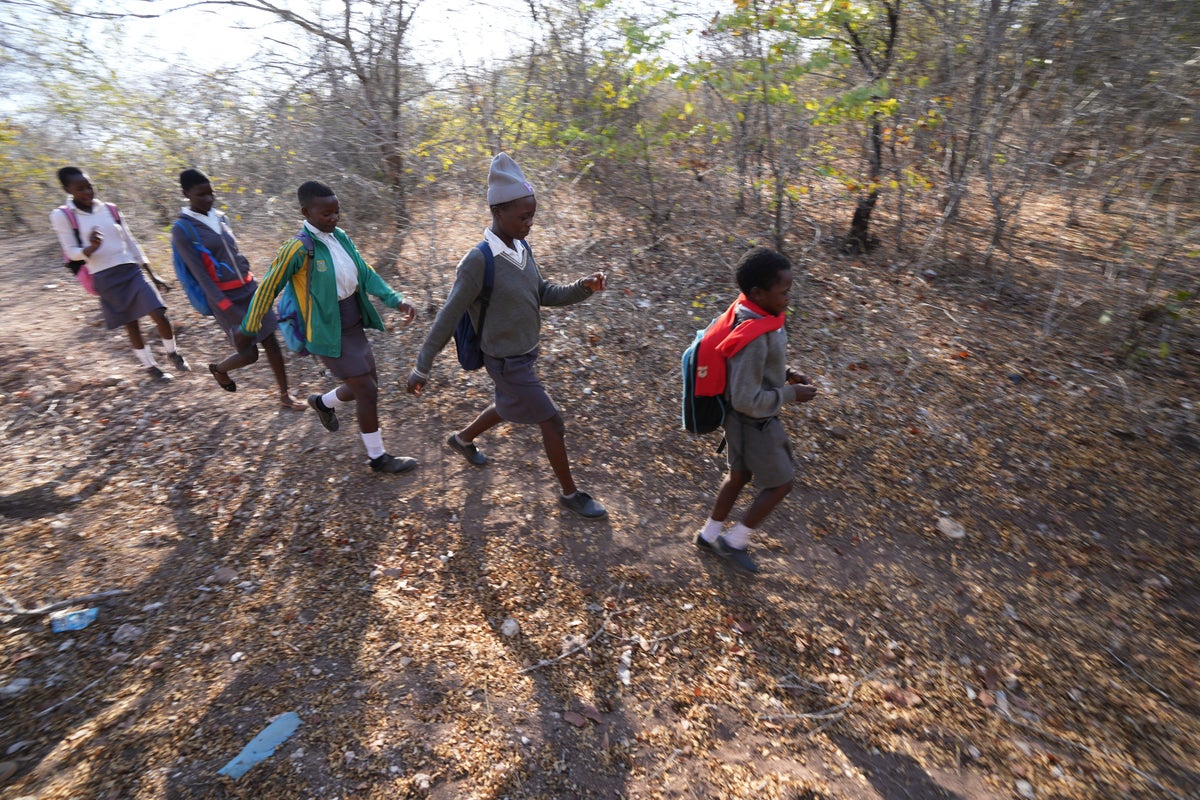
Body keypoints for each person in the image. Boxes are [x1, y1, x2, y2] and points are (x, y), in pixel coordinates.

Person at [406, 152, 609, 519]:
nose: (529, 223)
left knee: (506, 406)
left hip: (525, 354)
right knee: (551, 420)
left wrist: (583, 287)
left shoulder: (521, 247)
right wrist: (422, 367)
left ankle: (462, 439)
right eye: (523, 216)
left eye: (532, 215)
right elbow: (448, 316)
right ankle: (569, 494)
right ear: (498, 212)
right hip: (504, 361)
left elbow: (542, 293)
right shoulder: (479, 261)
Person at [233, 180, 418, 473]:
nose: (333, 219)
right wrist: (249, 327)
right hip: (325, 330)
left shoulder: (341, 236)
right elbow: (268, 288)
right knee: (367, 392)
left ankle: (323, 402)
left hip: (353, 323)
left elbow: (365, 273)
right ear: (306, 212)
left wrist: (396, 300)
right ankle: (378, 458)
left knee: (367, 387)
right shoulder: (296, 248)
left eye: (336, 212)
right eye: (326, 214)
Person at [693, 246, 817, 573]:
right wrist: (791, 393)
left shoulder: (756, 315)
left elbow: (755, 367)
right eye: (784, 291)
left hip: (744, 420)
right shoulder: (755, 335)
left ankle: (708, 535)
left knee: (739, 476)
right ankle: (733, 542)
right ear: (758, 293)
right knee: (781, 484)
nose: (789, 297)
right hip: (754, 421)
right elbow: (746, 397)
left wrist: (786, 371)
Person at [171, 168, 303, 410]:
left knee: (271, 340)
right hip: (224, 299)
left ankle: (285, 397)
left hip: (250, 289)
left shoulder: (221, 217)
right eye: (201, 195)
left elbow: (235, 254)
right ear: (186, 193)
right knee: (249, 353)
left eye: (211, 193)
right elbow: (201, 276)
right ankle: (219, 370)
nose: (208, 199)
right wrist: (226, 307)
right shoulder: (183, 229)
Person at [49, 166, 189, 381]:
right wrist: (91, 248)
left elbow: (131, 241)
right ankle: (151, 368)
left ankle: (173, 354)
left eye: (89, 187)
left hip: (130, 269)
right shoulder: (62, 216)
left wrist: (152, 274)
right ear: (67, 190)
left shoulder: (109, 209)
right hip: (104, 275)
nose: (87, 192)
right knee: (132, 324)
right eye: (80, 189)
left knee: (159, 312)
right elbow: (71, 252)